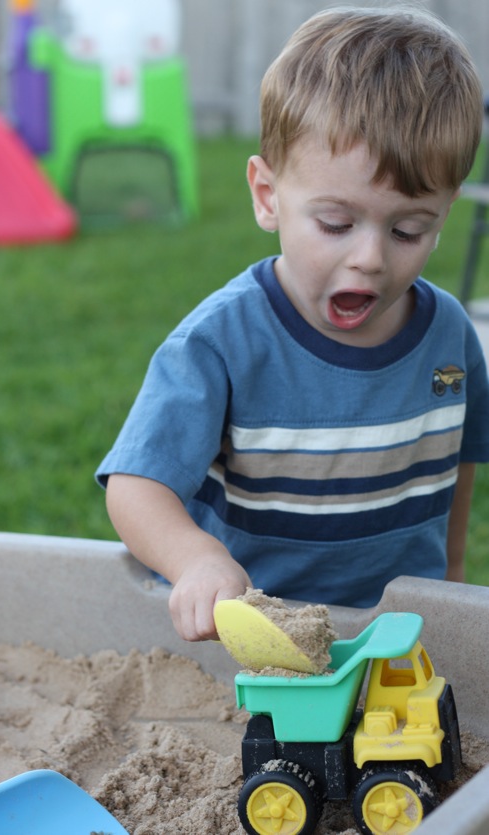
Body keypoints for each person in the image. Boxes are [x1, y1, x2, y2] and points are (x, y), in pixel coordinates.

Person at [96, 6, 489, 642]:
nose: (370, 257)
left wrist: (451, 580)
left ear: (443, 216)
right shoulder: (221, 342)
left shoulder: (448, 335)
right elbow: (136, 486)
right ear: (267, 195)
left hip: (396, 635)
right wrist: (196, 561)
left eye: (409, 229)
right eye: (336, 224)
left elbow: (458, 469)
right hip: (262, 636)